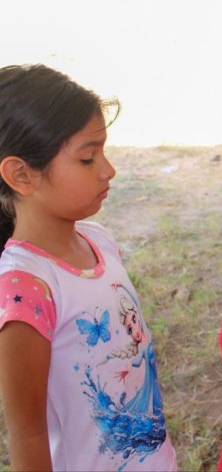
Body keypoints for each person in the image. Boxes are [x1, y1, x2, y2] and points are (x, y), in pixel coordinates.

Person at [0, 64, 178, 470]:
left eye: (103, 151)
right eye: (87, 158)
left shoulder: (98, 240)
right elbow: (28, 434)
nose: (108, 169)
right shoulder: (27, 288)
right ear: (21, 175)